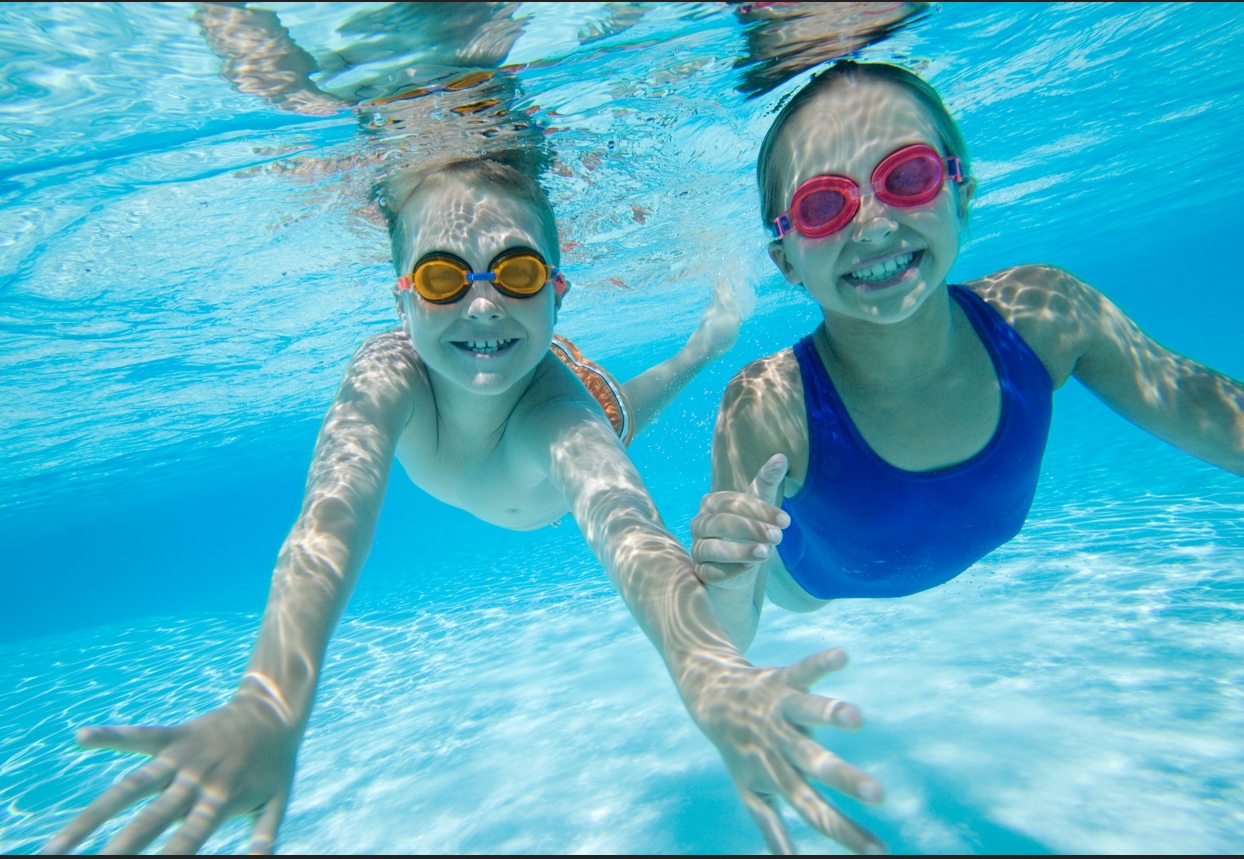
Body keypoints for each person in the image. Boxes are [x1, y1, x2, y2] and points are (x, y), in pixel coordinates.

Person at [44, 157, 887, 856]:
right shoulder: (385, 378)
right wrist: (270, 702)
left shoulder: (565, 425)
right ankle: (698, 339)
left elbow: (633, 531)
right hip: (533, 409)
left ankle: (705, 342)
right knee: (619, 413)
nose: (482, 303)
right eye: (446, 277)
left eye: (517, 271)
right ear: (401, 295)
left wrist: (710, 671)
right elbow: (326, 522)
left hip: (568, 405)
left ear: (557, 290)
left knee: (634, 405)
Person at [690, 57, 1244, 843]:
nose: (873, 223)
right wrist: (723, 574)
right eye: (822, 205)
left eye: (907, 176)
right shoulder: (768, 405)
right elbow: (728, 630)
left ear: (961, 187)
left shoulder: (1048, 314)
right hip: (812, 585)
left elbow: (1190, 398)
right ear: (785, 257)